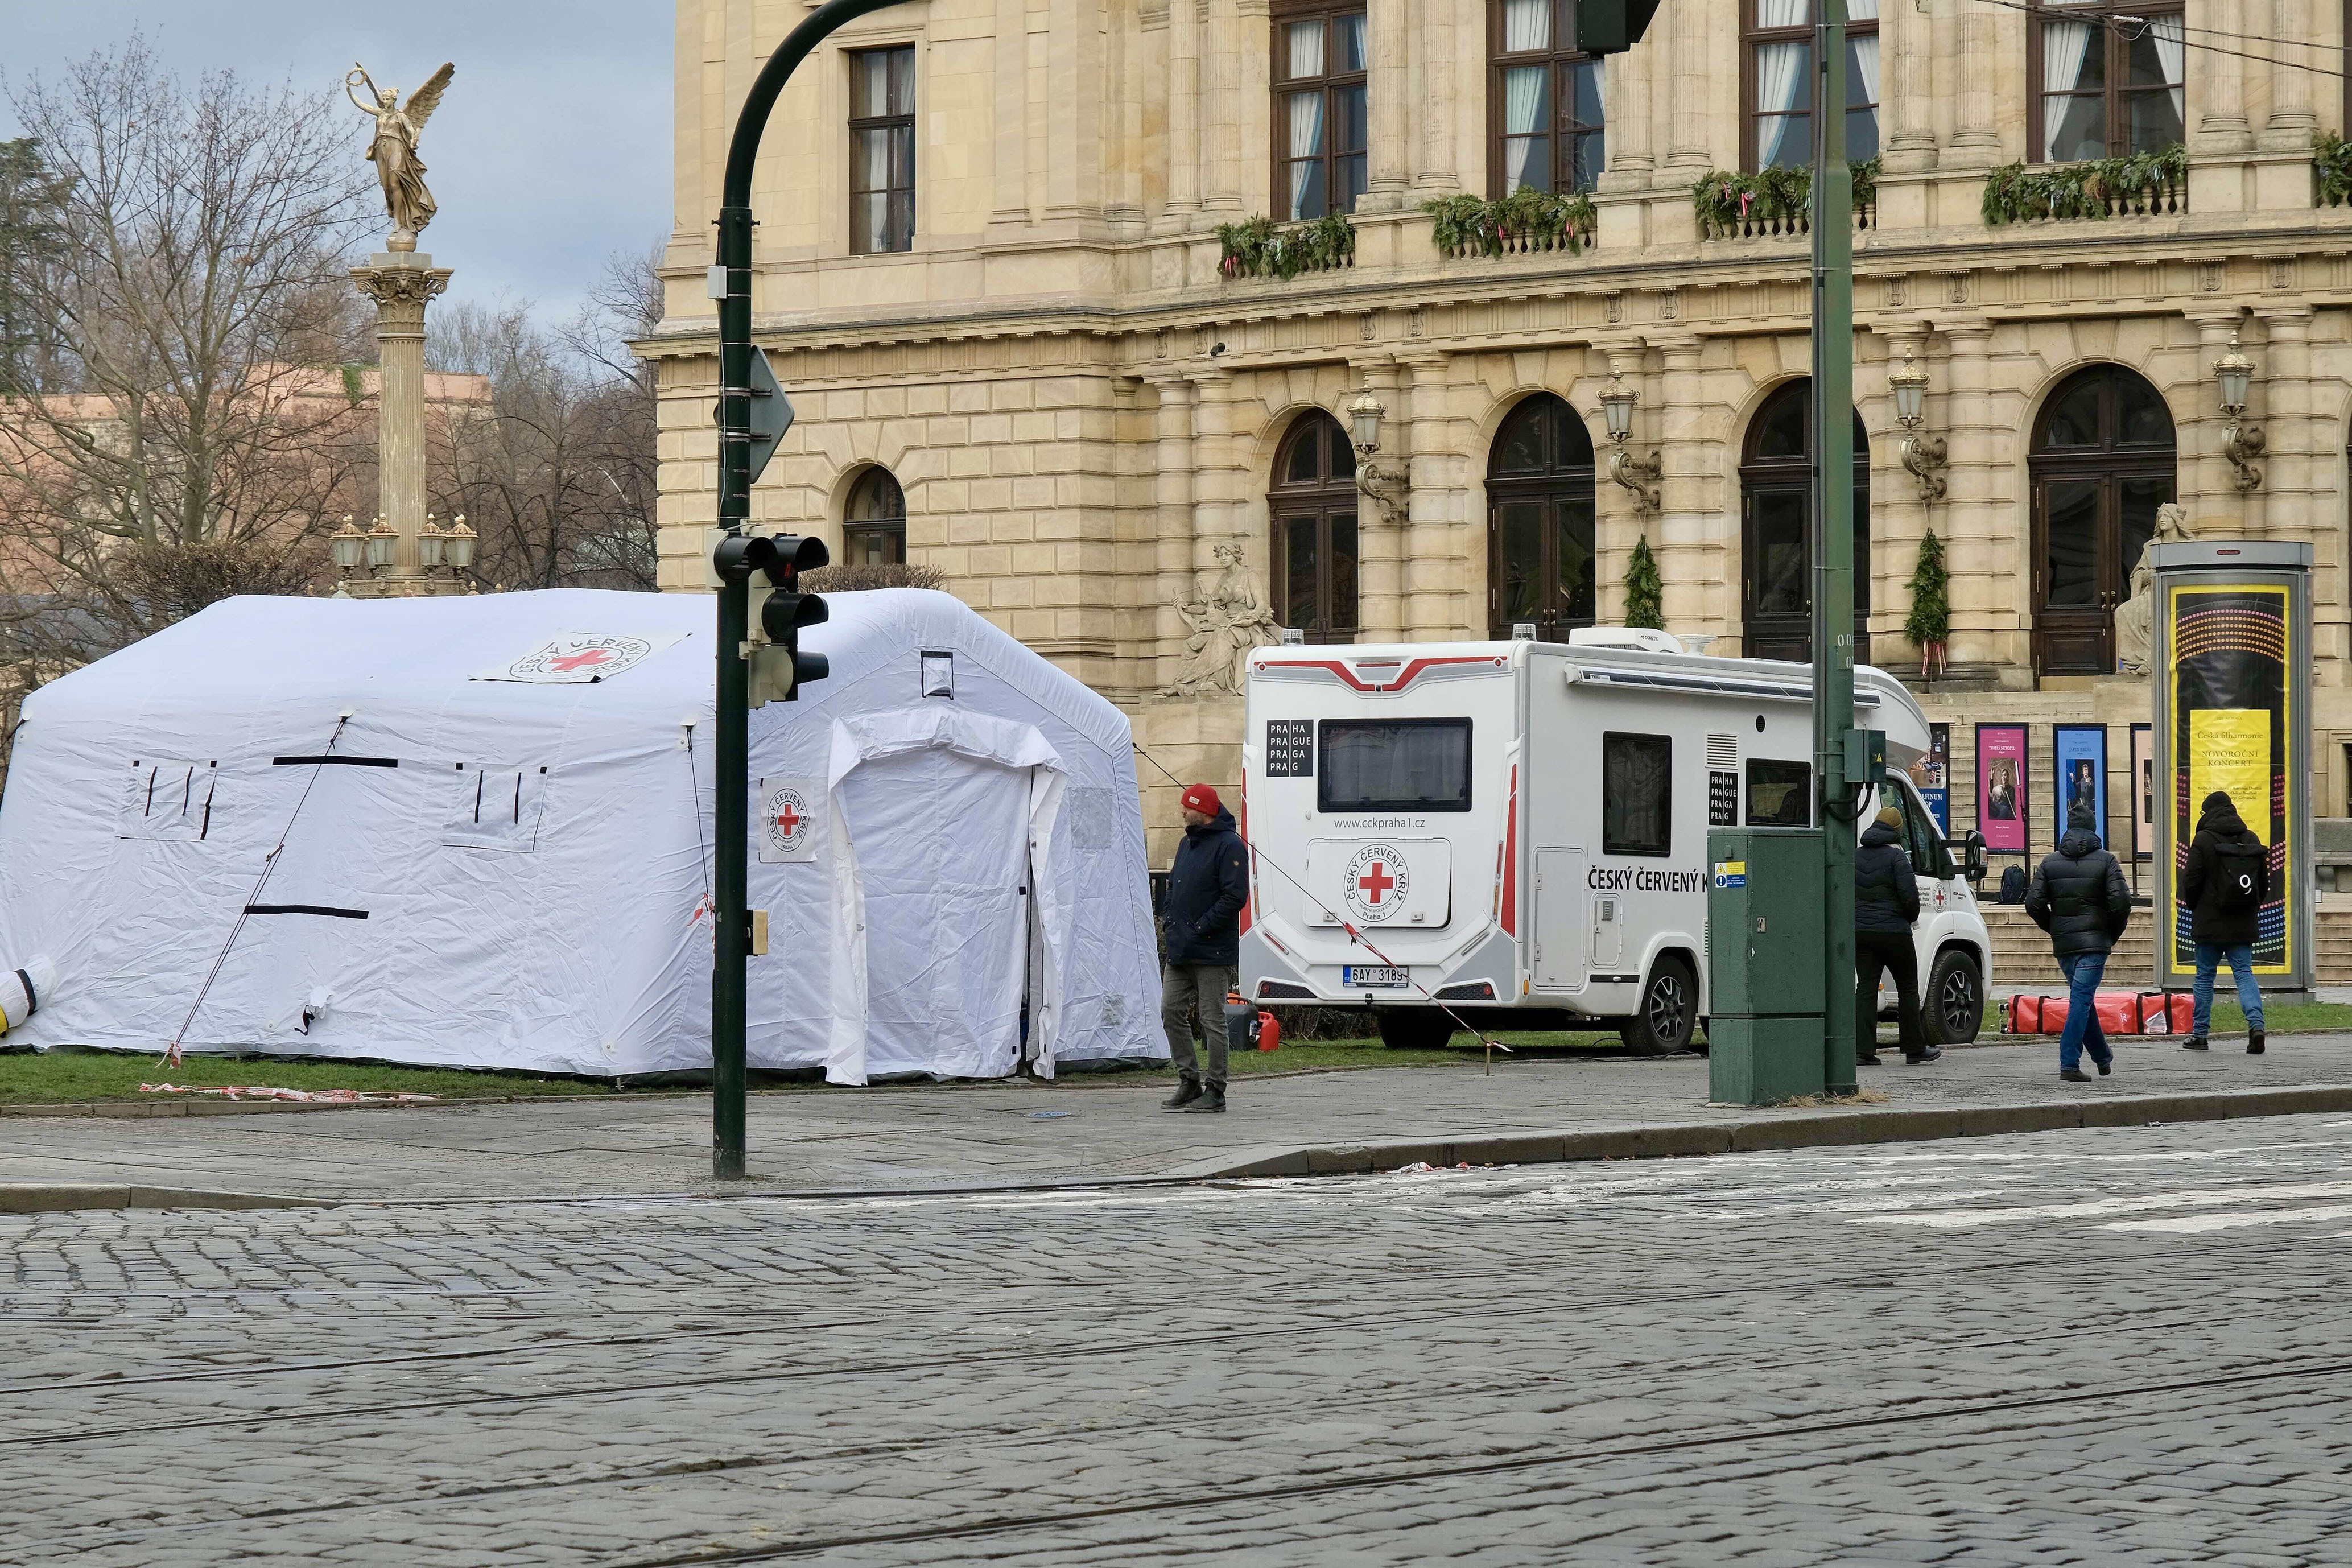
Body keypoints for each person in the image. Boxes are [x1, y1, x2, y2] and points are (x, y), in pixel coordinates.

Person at [2026, 801, 2134, 1081]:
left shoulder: (2050, 863)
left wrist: (2054, 928)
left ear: (2069, 830)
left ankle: (2102, 1056)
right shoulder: (2107, 860)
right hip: (2095, 943)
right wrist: (2111, 933)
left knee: (2081, 999)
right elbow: (2121, 903)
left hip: (2066, 945)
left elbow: (2033, 903)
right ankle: (2069, 1063)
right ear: (2093, 830)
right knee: (2081, 1000)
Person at [1160, 782, 1249, 1113]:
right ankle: (1189, 1082)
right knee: (1170, 1011)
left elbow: (1234, 897)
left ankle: (1216, 1090)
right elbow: (1172, 887)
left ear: (1205, 811)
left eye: (1187, 806)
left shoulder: (1230, 847)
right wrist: (1169, 917)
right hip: (1181, 948)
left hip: (1211, 951)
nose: (1182, 811)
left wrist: (1201, 926)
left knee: (1213, 1020)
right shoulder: (1186, 844)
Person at [2178, 790, 2270, 1054]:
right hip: (2242, 922)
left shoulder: (2204, 840)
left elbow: (2191, 881)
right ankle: (2256, 1026)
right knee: (2244, 973)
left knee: (2205, 976)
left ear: (2208, 813)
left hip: (2209, 922)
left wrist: (2196, 907)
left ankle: (2200, 1035)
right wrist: (2249, 907)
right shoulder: (2251, 838)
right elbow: (2262, 884)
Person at [1854, 806, 1940, 1066]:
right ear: (1896, 831)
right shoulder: (1897, 858)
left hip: (1862, 933)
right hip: (1894, 934)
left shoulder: (1855, 856)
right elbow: (1910, 898)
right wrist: (1909, 918)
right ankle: (1914, 1049)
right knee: (1907, 987)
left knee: (1866, 989)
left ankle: (1863, 1051)